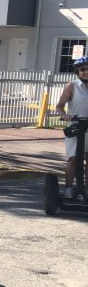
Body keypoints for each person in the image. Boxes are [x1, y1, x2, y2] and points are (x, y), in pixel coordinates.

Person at [54, 55, 88, 199]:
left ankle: (85, 190)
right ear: (77, 72)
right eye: (82, 69)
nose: (86, 71)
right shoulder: (71, 86)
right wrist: (64, 115)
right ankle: (68, 189)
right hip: (75, 126)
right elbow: (60, 106)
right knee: (73, 159)